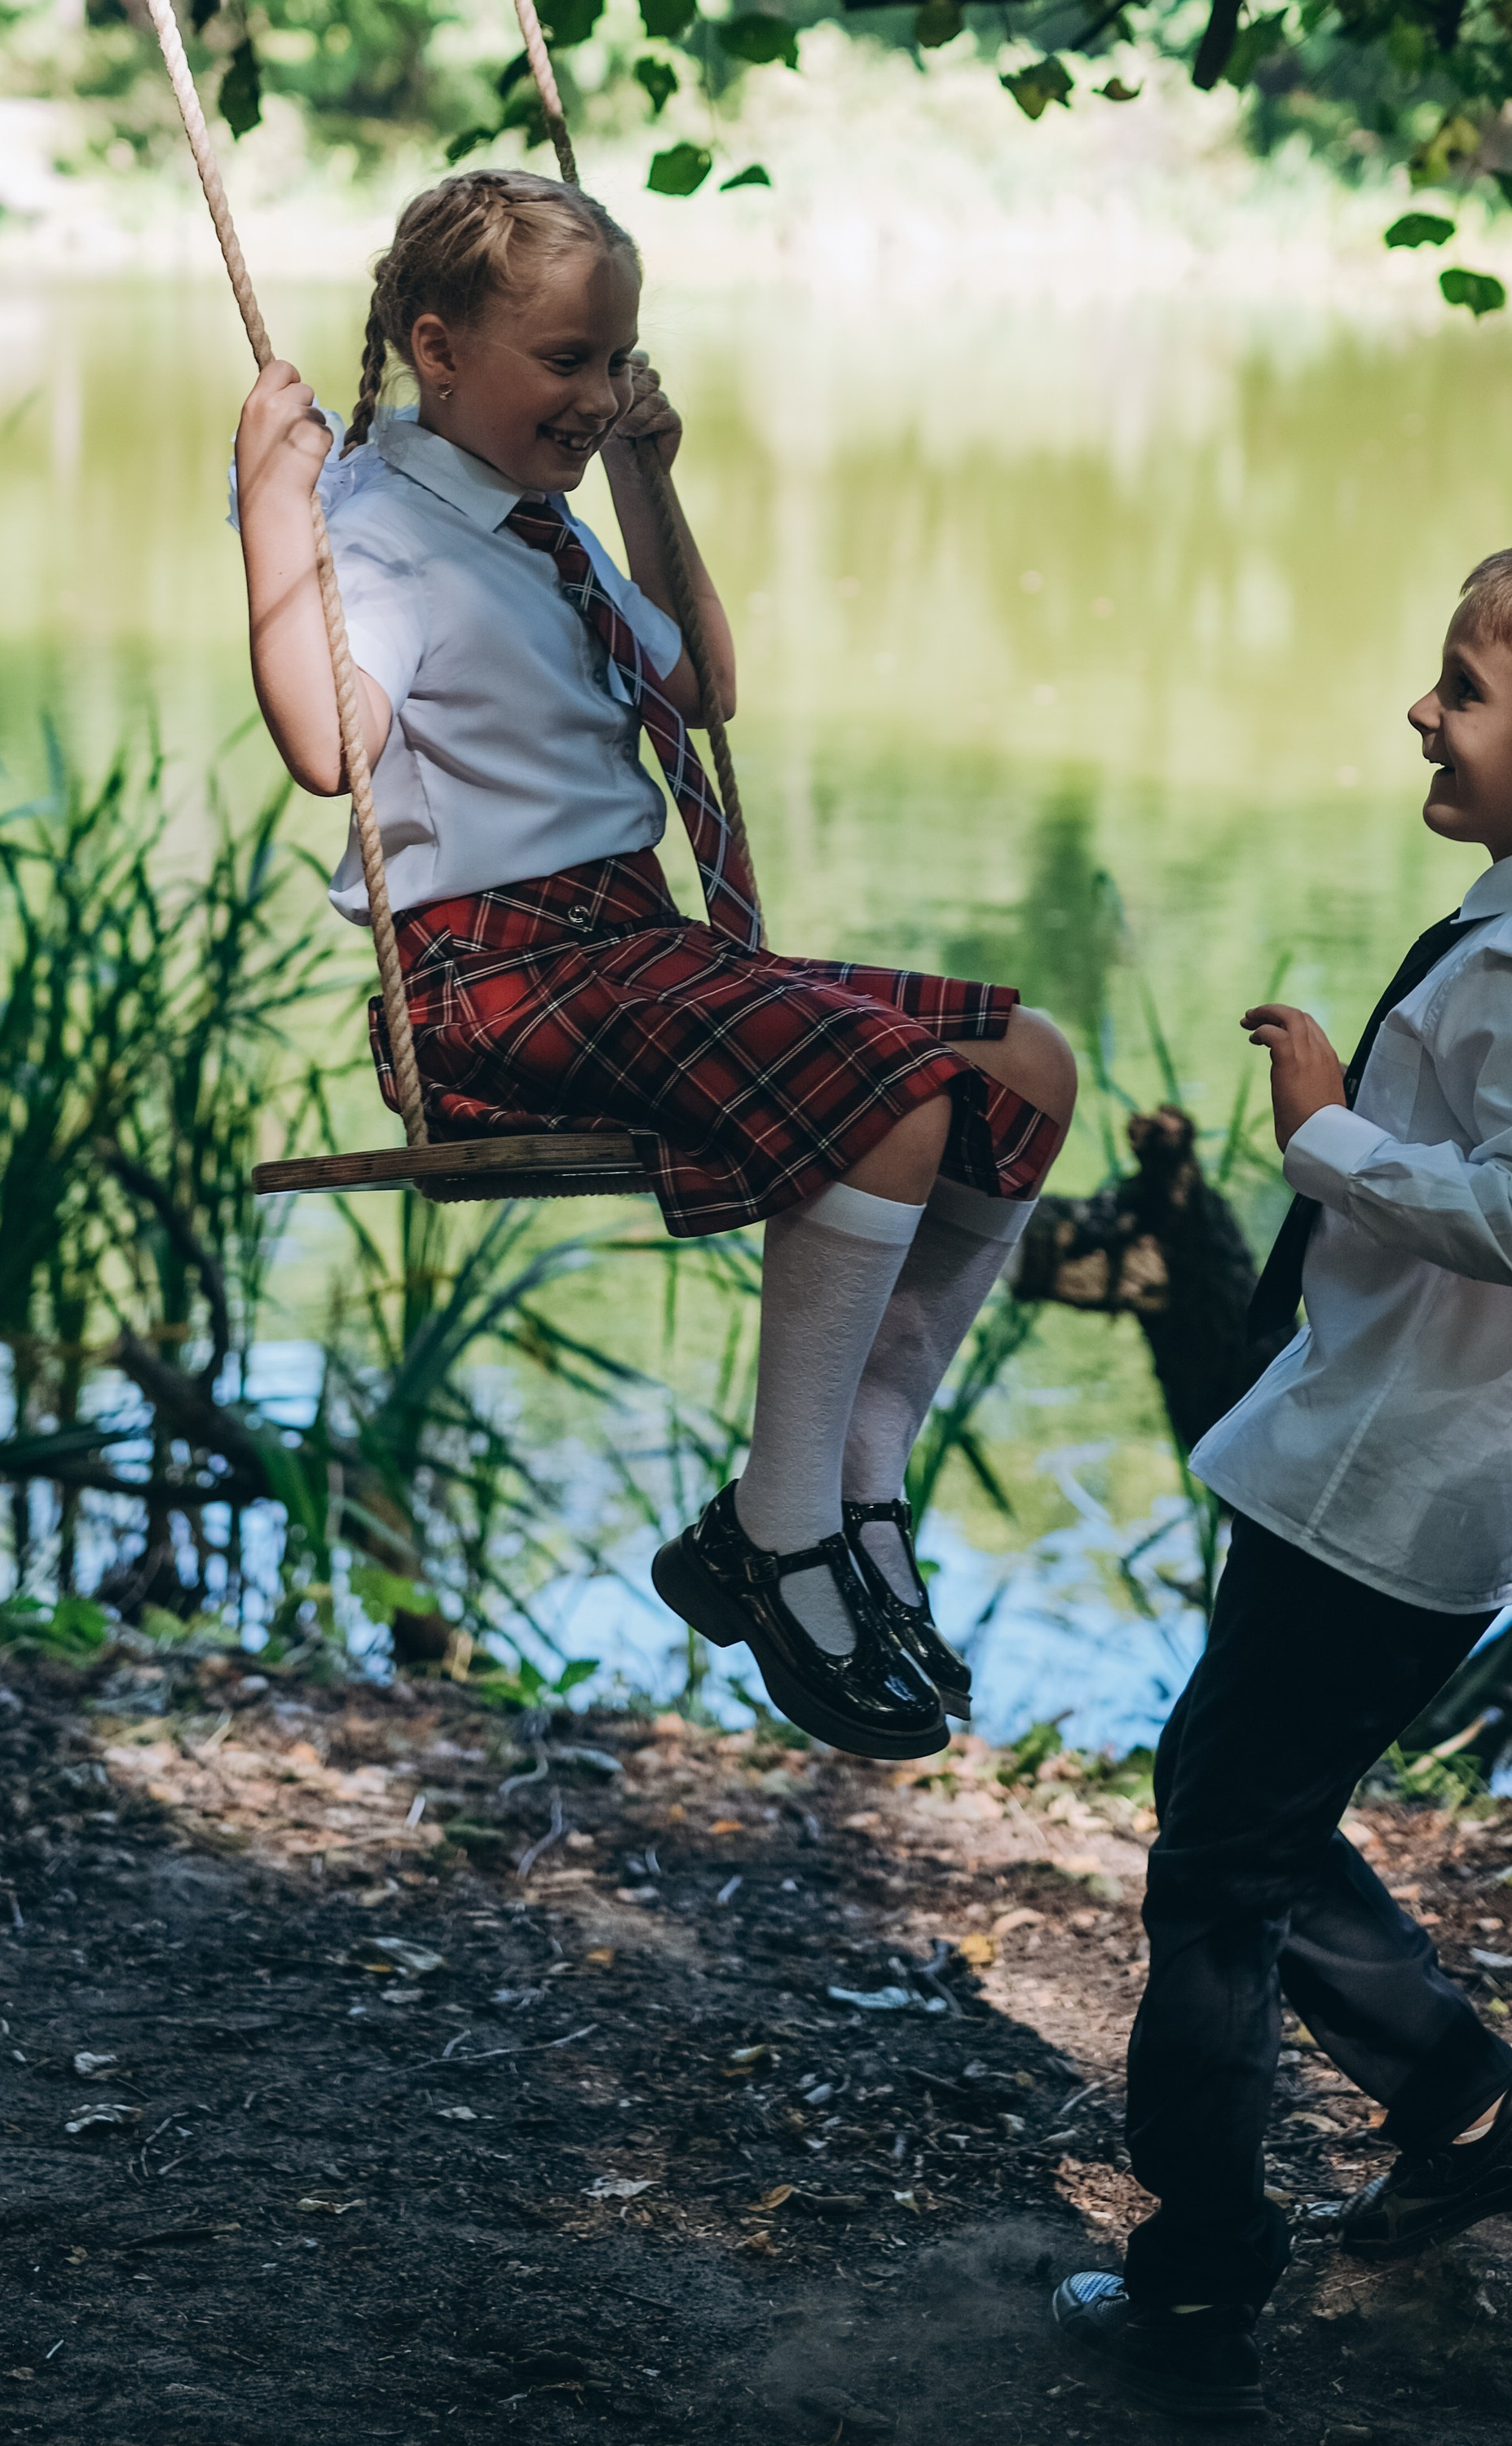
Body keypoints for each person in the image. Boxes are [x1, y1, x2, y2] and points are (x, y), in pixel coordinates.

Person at [233, 169, 1076, 1764]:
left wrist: (642, 474)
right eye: (566, 361)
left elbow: (696, 686)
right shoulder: (377, 528)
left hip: (626, 945)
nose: (598, 388)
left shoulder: (539, 524)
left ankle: (857, 1467)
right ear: (436, 347)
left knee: (1023, 1064)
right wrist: (272, 514)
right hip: (487, 978)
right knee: (886, 1099)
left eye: (615, 358)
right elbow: (326, 747)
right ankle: (771, 1538)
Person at [1054, 541, 1512, 2422]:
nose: (1421, 711)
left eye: (1462, 686)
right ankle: (1469, 2113)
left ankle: (1197, 2271)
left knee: (1208, 1878)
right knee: (1241, 1813)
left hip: (1383, 1496)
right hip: (1398, 1476)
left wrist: (1324, 1134)